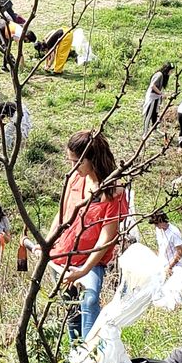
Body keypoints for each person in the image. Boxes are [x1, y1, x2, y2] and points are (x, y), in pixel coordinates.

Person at [52, 131, 127, 340]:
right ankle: (74, 359)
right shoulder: (75, 178)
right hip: (63, 257)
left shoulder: (114, 191)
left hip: (90, 260)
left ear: (92, 159)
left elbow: (107, 238)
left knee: (90, 299)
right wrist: (47, 244)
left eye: (77, 162)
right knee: (70, 309)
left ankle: (89, 358)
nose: (73, 168)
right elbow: (62, 214)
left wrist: (84, 270)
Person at [141, 210, 182, 277]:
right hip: (162, 263)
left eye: (156, 224)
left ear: (161, 220)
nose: (155, 226)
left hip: (174, 265)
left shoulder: (174, 233)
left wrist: (170, 266)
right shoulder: (159, 229)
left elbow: (180, 251)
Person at [143, 62, 175, 128]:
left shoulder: (164, 76)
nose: (171, 73)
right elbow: (152, 85)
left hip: (157, 97)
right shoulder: (159, 75)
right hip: (152, 97)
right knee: (149, 115)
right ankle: (145, 133)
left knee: (155, 113)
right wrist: (160, 93)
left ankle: (154, 129)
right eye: (171, 71)